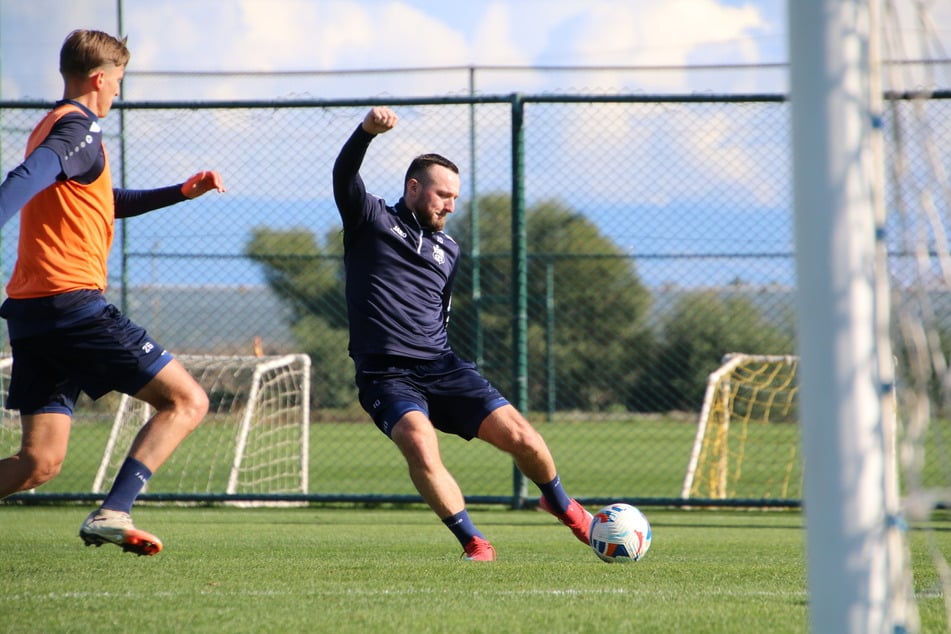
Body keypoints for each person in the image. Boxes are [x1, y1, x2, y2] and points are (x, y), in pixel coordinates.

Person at [0, 29, 226, 556]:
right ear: (101, 78)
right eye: (120, 81)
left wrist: (179, 193)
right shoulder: (79, 129)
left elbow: (103, 200)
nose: (120, 91)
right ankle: (114, 510)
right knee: (188, 400)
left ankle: (111, 510)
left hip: (33, 313)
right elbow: (24, 178)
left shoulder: (53, 125)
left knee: (39, 463)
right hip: (73, 306)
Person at [332, 106, 592, 561]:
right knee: (419, 444)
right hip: (387, 376)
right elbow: (345, 173)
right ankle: (474, 540)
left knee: (525, 439)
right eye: (442, 195)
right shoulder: (369, 219)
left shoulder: (448, 249)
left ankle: (560, 500)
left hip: (442, 367)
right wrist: (365, 133)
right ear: (413, 188)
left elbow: (440, 310)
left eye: (455, 197)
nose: (450, 205)